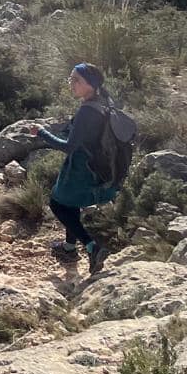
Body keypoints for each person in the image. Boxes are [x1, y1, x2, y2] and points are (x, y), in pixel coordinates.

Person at [27, 63, 118, 275]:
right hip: (96, 165)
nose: (72, 84)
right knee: (71, 204)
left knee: (57, 204)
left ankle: (91, 246)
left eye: (76, 80)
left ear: (90, 84)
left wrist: (41, 132)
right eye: (71, 78)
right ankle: (69, 248)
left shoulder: (87, 111)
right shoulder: (103, 102)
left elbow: (68, 146)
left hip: (81, 168)